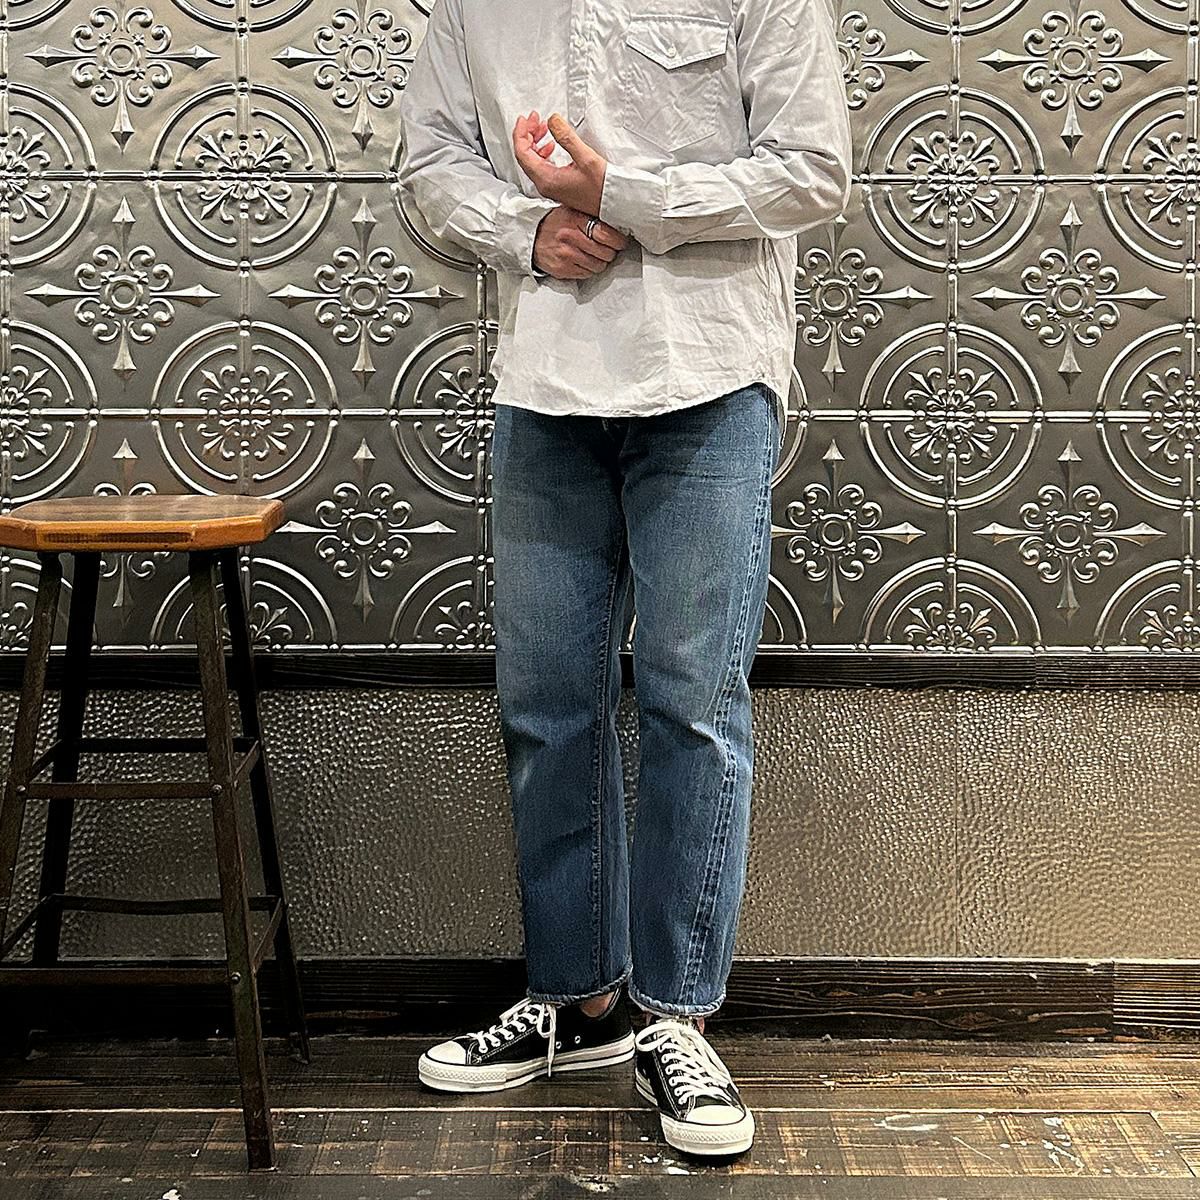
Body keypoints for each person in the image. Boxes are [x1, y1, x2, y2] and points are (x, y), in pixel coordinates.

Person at [396, 0, 852, 1158]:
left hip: (709, 371)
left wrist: (624, 195)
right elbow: (431, 159)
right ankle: (579, 1000)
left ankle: (677, 1019)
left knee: (692, 703)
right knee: (546, 703)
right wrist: (524, 230)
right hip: (543, 378)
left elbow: (813, 168)